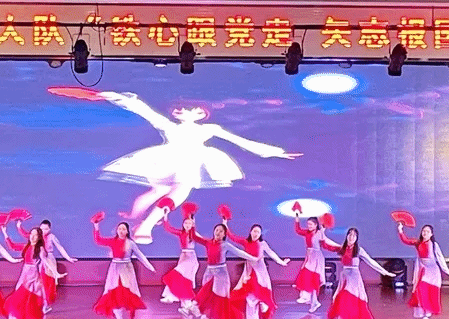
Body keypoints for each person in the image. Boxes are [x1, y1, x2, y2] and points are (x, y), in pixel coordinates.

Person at [96, 91, 300, 244]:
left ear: (202, 113)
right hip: (166, 161)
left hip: (187, 163)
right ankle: (140, 222)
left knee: (165, 191)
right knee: (170, 190)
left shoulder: (208, 128)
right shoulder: (169, 125)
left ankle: (139, 222)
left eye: (192, 109)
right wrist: (117, 97)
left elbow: (240, 141)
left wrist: (272, 151)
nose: (185, 112)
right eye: (181, 109)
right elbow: (143, 110)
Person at [323, 228, 396, 319]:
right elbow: (329, 242)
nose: (351, 237)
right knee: (342, 302)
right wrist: (321, 233)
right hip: (344, 278)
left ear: (357, 238)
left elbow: (371, 262)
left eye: (354, 235)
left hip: (354, 278)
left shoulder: (359, 250)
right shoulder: (343, 248)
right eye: (349, 234)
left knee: (350, 301)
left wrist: (385, 272)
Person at [194, 223, 258, 319]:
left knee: (219, 303)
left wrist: (253, 258)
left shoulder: (225, 245)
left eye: (221, 231)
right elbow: (195, 237)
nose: (218, 233)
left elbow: (239, 252)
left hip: (221, 275)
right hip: (209, 273)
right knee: (207, 300)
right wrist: (191, 224)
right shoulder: (208, 242)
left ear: (224, 234)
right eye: (216, 230)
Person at [2, 225, 67, 319]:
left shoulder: (40, 249)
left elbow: (46, 262)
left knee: (29, 304)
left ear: (39, 237)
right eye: (31, 234)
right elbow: (12, 246)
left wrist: (55, 273)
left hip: (33, 279)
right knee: (17, 298)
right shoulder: (26, 246)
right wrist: (5, 234)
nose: (32, 237)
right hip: (25, 276)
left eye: (35, 235)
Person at [224, 221, 290, 319]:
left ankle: (263, 303)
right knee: (249, 297)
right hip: (249, 272)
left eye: (258, 232)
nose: (256, 234)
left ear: (260, 234)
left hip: (259, 272)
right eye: (254, 231)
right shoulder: (245, 242)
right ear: (250, 232)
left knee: (257, 293)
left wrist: (281, 262)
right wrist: (225, 224)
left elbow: (271, 253)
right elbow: (232, 237)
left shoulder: (262, 244)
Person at [92, 219, 156, 319]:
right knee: (113, 295)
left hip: (127, 270)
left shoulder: (130, 243)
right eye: (119, 229)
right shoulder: (113, 241)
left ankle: (123, 316)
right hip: (115, 270)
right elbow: (98, 240)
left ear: (127, 231)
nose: (121, 231)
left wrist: (150, 266)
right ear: (117, 231)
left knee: (126, 293)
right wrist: (96, 225)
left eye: (124, 229)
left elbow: (140, 255)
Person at [397, 223, 449, 319]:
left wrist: (447, 270)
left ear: (431, 234)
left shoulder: (434, 245)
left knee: (430, 294)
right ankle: (424, 316)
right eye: (423, 231)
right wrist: (400, 230)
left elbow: (440, 258)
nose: (425, 233)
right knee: (420, 290)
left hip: (433, 272)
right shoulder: (418, 243)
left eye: (427, 231)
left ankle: (426, 316)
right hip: (423, 271)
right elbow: (406, 240)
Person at [14, 219, 77, 313]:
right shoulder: (37, 237)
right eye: (42, 229)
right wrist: (19, 226)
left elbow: (59, 247)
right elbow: (26, 234)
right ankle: (35, 304)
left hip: (48, 259)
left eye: (46, 229)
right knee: (37, 284)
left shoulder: (51, 237)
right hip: (38, 261)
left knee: (45, 283)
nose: (44, 231)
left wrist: (68, 258)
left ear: (50, 229)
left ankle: (44, 304)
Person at [159, 208, 203, 316]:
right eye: (185, 223)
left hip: (191, 259)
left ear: (192, 224)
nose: (187, 225)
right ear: (183, 224)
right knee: (181, 281)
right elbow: (168, 228)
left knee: (177, 275)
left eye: (189, 223)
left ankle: (172, 297)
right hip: (183, 257)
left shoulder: (194, 235)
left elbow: (205, 241)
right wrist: (165, 216)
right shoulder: (180, 233)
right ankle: (185, 306)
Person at [293, 216, 327, 311]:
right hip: (309, 255)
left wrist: (323, 228)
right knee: (312, 280)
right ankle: (314, 303)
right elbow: (298, 230)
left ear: (316, 225)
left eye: (311, 224)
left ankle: (305, 296)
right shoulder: (307, 232)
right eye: (308, 224)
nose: (309, 226)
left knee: (308, 274)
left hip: (316, 257)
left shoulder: (319, 233)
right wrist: (297, 220)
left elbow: (325, 242)